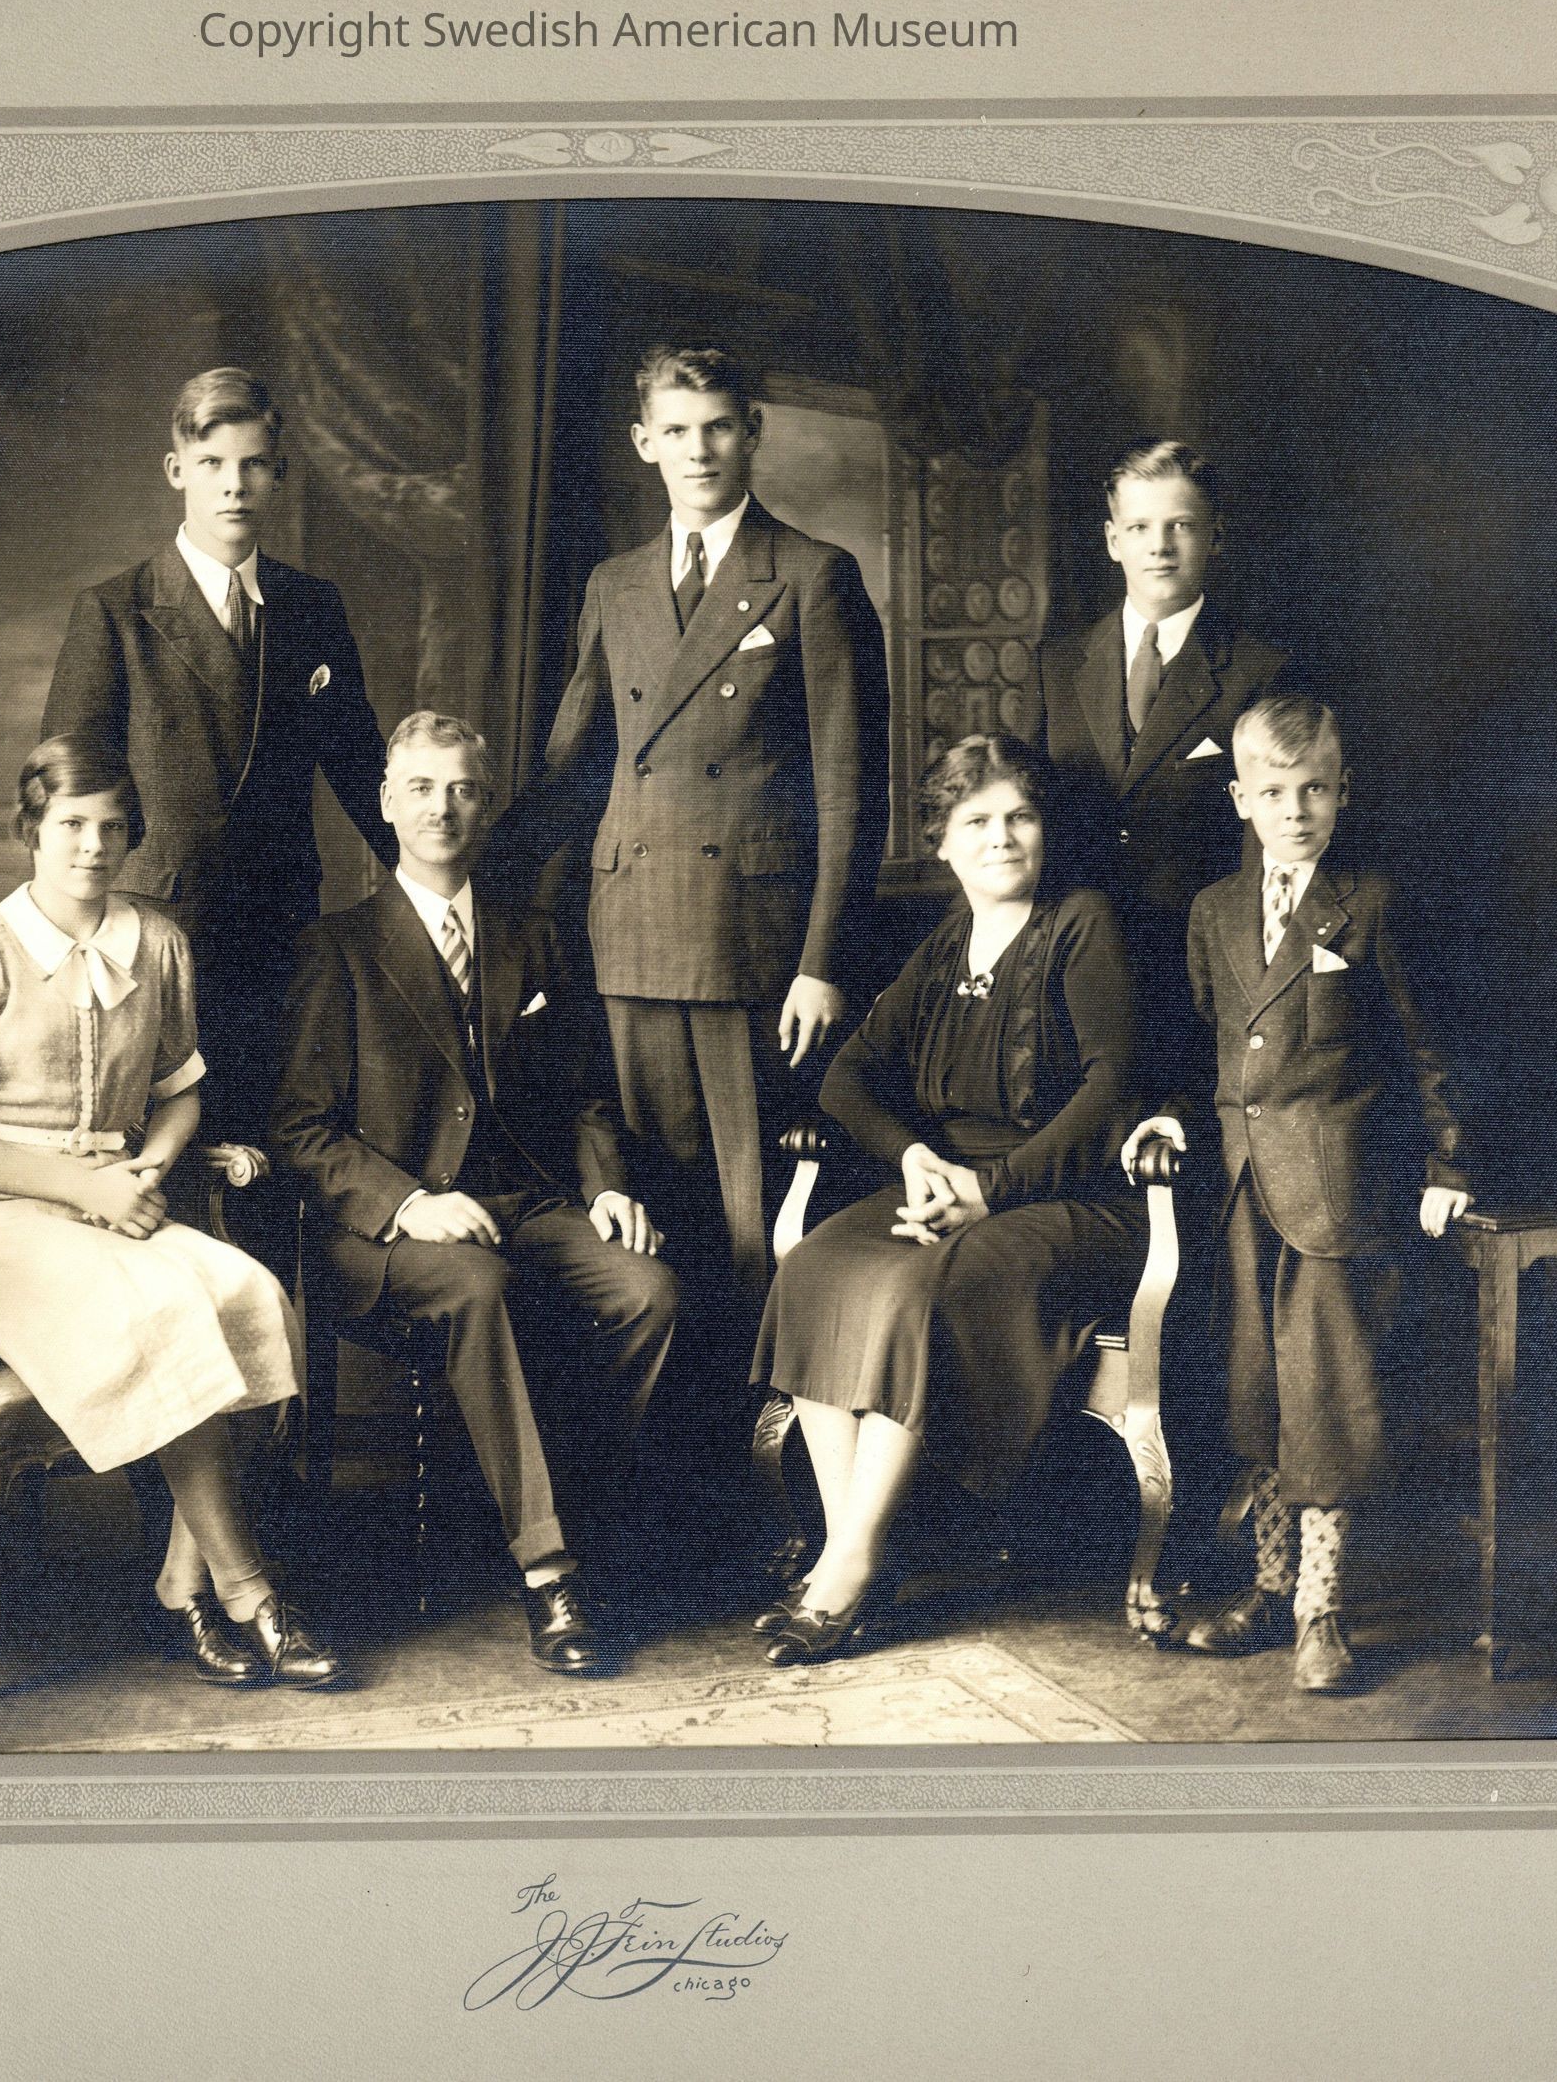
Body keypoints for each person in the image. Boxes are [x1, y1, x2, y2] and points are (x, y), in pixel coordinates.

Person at [496, 343, 891, 1425]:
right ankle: (668, 1462)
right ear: (644, 444)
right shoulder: (614, 583)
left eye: (717, 425)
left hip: (748, 944)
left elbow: (850, 791)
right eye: (676, 430)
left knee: (747, 1217)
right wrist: (477, 888)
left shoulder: (812, 572)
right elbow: (573, 768)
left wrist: (821, 963)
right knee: (646, 1212)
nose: (699, 449)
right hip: (625, 933)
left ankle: (757, 1460)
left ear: (751, 431)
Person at [0, 735, 345, 1689]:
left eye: (112, 827)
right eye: (71, 824)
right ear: (31, 829)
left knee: (256, 1298)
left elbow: (181, 1092)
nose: (93, 846)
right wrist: (82, 1188)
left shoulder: (157, 943)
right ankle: (250, 1593)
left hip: (116, 1201)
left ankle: (180, 1579)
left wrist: (144, 1167)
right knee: (168, 1311)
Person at [272, 711, 681, 1677]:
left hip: (523, 1202)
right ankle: (548, 1571)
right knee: (477, 1283)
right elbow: (300, 1128)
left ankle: (569, 1512)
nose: (441, 808)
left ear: (487, 804)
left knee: (649, 1291)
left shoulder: (532, 935)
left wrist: (607, 1187)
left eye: (461, 788)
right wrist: (407, 1203)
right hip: (384, 1230)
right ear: (386, 803)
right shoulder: (337, 947)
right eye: (420, 788)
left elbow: (585, 1094)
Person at [750, 733, 1146, 1666]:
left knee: (916, 1289)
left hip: (1071, 1195)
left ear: (1044, 830)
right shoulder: (942, 945)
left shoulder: (1081, 921)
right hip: (955, 1184)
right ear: (941, 841)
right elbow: (845, 1078)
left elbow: (1111, 1086)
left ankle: (847, 1566)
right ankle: (856, 1549)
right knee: (816, 1267)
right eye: (976, 821)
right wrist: (916, 1154)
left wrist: (991, 1189)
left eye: (1019, 816)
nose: (1001, 837)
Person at [1122, 693, 1471, 1692]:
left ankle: (1323, 1607)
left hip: (1338, 1196)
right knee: (1260, 1398)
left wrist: (1448, 1165)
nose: (1296, 809)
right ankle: (1272, 1588)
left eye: (1315, 788)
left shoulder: (1372, 902)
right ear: (1240, 798)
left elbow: (1428, 1049)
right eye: (1274, 792)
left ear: (1343, 790)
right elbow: (1212, 1050)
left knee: (1325, 1401)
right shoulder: (1213, 911)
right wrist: (1170, 1116)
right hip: (1244, 1193)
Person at [39, 365, 390, 1166]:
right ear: (177, 471)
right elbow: (64, 792)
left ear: (278, 473)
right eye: (211, 464)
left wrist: (448, 890)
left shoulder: (312, 608)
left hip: (281, 930)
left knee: (275, 1153)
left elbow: (362, 770)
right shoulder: (116, 612)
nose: (234, 485)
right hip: (154, 938)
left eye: (253, 464)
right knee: (161, 1159)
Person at [1035, 438, 1291, 1100]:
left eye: (1181, 525)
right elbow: (1034, 808)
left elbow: (1274, 841)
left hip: (1199, 966)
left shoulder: (1259, 670)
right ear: (1112, 540)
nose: (1160, 546)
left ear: (1215, 536)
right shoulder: (1058, 664)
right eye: (1140, 527)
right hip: (1079, 962)